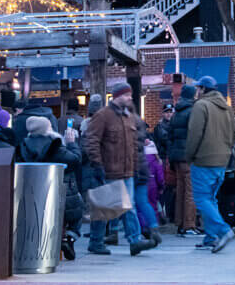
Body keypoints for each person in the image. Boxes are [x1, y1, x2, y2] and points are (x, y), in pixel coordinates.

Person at [84, 83, 154, 256]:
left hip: (126, 171)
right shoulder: (103, 116)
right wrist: (97, 164)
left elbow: (132, 145)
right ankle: (98, 241)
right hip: (109, 169)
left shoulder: (128, 117)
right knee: (105, 208)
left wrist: (135, 166)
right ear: (117, 96)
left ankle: (133, 240)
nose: (130, 97)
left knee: (124, 206)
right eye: (127, 95)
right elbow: (92, 141)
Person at [18, 115, 83, 260]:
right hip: (60, 195)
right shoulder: (54, 145)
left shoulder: (23, 146)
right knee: (77, 211)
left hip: (33, 196)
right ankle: (69, 238)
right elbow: (75, 160)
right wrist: (72, 143)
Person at [185, 75, 235, 253]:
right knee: (211, 199)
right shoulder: (226, 107)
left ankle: (223, 230)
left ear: (203, 89)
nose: (196, 92)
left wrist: (189, 155)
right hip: (222, 160)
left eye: (198, 88)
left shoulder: (201, 106)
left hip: (203, 159)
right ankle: (210, 237)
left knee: (201, 199)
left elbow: (194, 134)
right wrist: (227, 150)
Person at [168, 84, 200, 237]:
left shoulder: (176, 113)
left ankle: (180, 223)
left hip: (177, 158)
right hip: (188, 157)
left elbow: (170, 136)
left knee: (181, 191)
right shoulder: (192, 112)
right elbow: (194, 134)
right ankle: (189, 225)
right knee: (190, 191)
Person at [132, 114, 161, 244]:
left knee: (132, 206)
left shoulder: (129, 140)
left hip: (133, 173)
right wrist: (161, 185)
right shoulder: (150, 148)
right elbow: (158, 169)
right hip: (147, 176)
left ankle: (138, 231)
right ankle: (153, 227)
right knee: (145, 203)